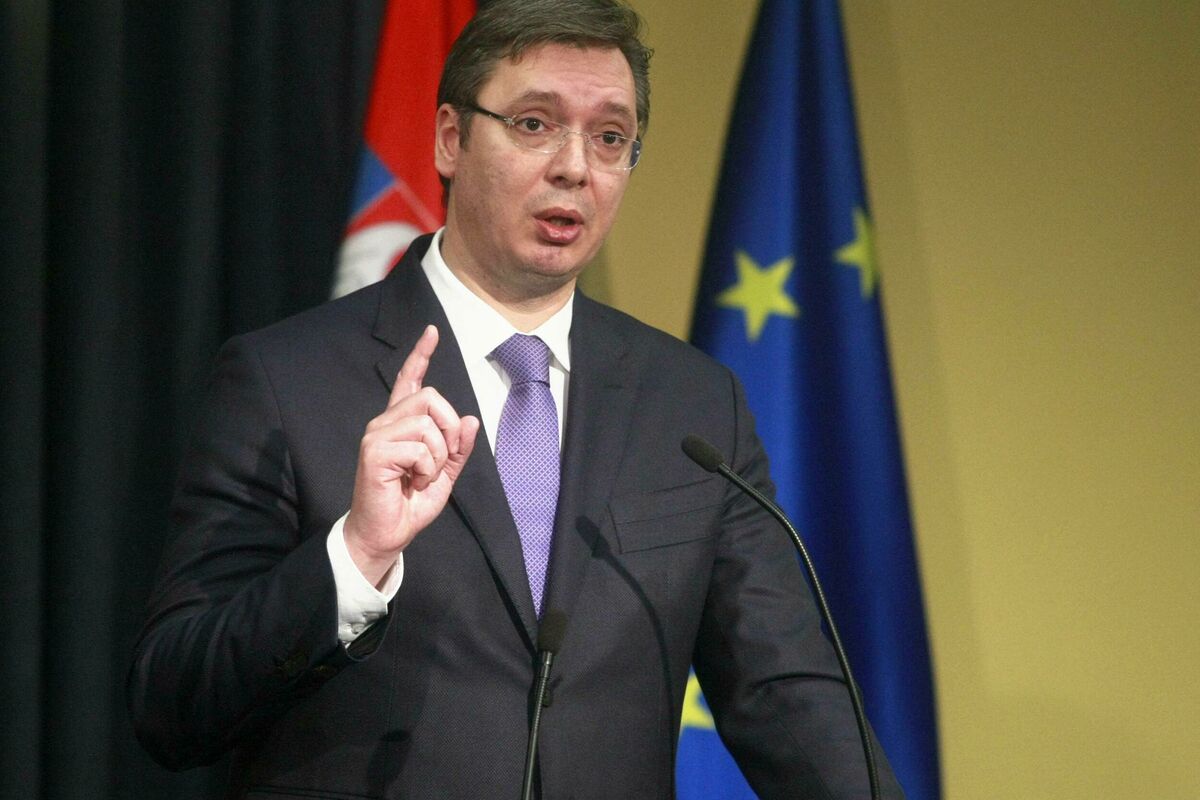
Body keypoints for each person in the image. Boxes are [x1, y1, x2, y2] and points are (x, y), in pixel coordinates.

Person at [128, 1, 905, 797]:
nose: (575, 166)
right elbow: (172, 702)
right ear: (450, 139)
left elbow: (786, 696)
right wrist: (355, 555)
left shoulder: (694, 407)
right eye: (535, 124)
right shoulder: (286, 381)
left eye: (610, 137)